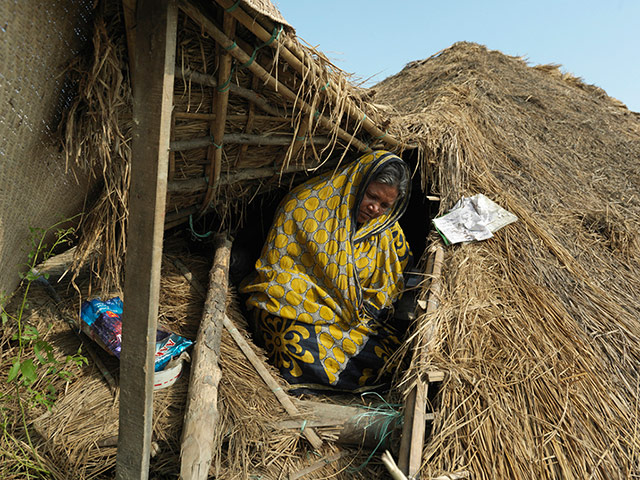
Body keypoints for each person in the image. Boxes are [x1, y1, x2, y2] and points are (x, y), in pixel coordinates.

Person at [240, 150, 413, 393]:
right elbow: (277, 273)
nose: (375, 208)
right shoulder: (303, 208)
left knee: (393, 358)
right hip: (297, 307)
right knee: (291, 341)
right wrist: (324, 303)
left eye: (385, 205)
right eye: (371, 196)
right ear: (357, 183)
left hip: (352, 319)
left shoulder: (385, 230)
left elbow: (392, 283)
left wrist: (364, 306)